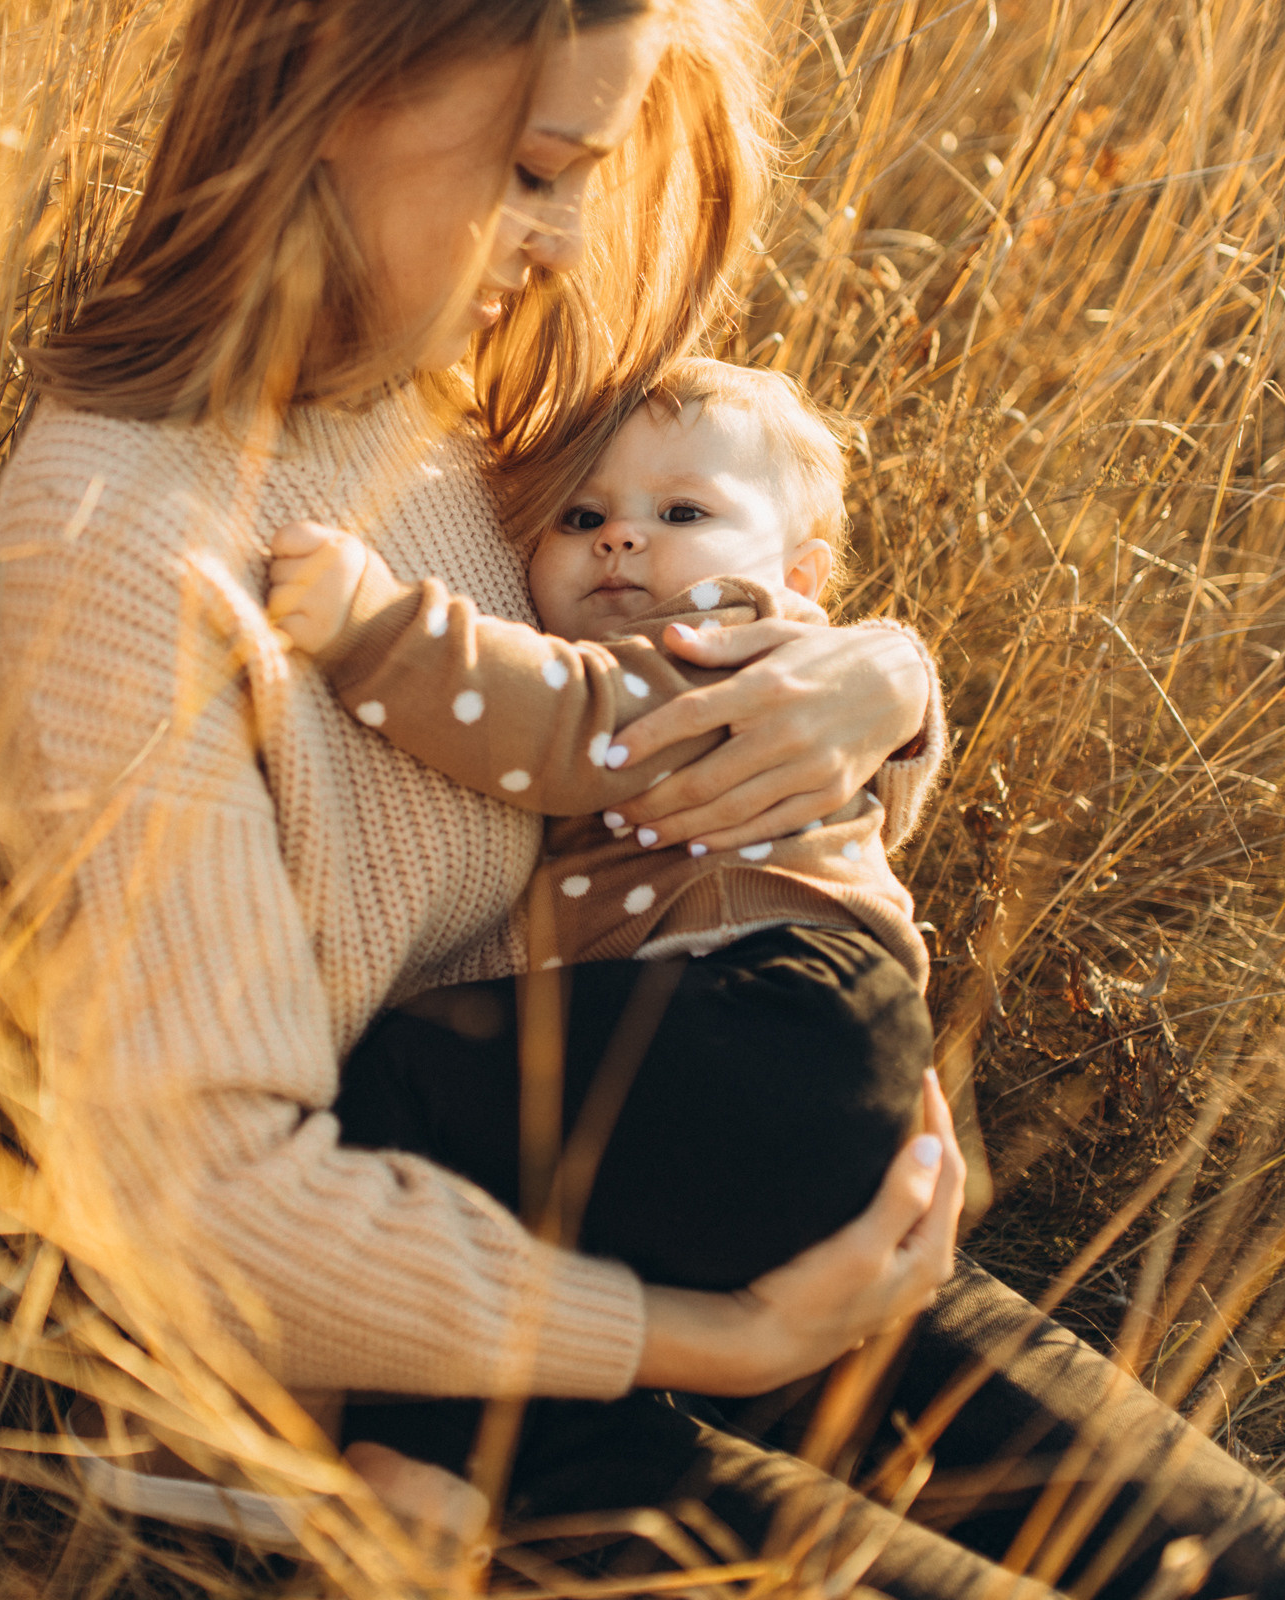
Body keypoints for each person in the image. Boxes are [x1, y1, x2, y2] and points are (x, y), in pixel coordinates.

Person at [0, 0, 1285, 1593]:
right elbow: (209, 1211)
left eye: (587, 169)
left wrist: (881, 685)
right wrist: (712, 1339)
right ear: (333, 86)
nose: (567, 236)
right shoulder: (114, 539)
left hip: (711, 1230)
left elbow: (685, 697)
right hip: (453, 1400)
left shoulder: (462, 424)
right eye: (534, 167)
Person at [266, 358, 933, 1290]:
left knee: (400, 1083)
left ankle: (381, 1408)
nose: (620, 537)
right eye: (582, 518)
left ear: (798, 574)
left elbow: (573, 729)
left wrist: (377, 630)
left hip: (772, 1009)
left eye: (683, 514)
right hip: (761, 1048)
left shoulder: (723, 633)